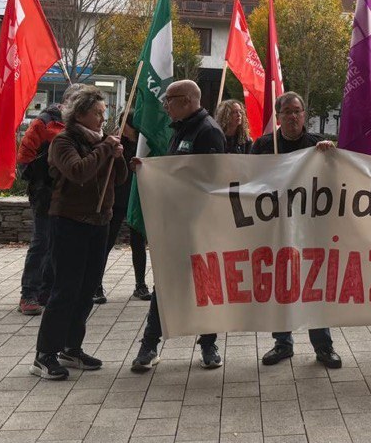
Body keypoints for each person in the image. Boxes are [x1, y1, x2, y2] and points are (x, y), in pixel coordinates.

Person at [30, 87, 127, 380]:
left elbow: (119, 179)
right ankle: (44, 354)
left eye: (103, 112)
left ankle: (72, 347)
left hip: (100, 221)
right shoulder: (64, 140)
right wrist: (104, 150)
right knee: (66, 289)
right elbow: (78, 171)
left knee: (87, 289)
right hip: (70, 221)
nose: (102, 117)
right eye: (97, 112)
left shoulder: (101, 142)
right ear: (81, 113)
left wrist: (118, 156)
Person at [130, 80, 226, 373]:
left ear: (186, 100)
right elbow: (176, 171)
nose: (165, 106)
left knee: (206, 286)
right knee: (167, 285)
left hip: (201, 225)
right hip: (176, 224)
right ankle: (149, 345)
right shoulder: (181, 130)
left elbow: (213, 180)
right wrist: (150, 171)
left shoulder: (208, 131)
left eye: (169, 100)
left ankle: (208, 345)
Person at [251, 92, 343, 370]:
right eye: (287, 112)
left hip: (311, 228)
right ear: (278, 117)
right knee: (281, 286)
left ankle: (323, 347)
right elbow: (250, 181)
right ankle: (282, 343)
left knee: (313, 285)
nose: (292, 116)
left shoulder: (318, 145)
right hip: (276, 228)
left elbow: (337, 179)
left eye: (297, 111)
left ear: (304, 114)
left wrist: (332, 156)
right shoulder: (264, 146)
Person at [17, 84, 87, 316]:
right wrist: (45, 173)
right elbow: (24, 158)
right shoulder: (45, 122)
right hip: (46, 193)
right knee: (42, 242)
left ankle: (47, 291)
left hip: (71, 194)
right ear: (67, 102)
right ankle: (29, 293)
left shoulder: (82, 127)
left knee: (60, 244)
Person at [93, 114, 150, 304]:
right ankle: (96, 285)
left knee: (138, 243)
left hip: (137, 200)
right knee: (106, 242)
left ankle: (140, 284)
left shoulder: (144, 144)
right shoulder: (115, 144)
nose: (122, 127)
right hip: (117, 200)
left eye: (126, 124)